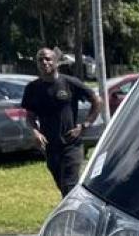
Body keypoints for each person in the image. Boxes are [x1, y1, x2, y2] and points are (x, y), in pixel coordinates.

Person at [21, 48, 100, 195]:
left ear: (56, 62)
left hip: (71, 144)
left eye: (48, 59)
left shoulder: (70, 83)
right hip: (50, 147)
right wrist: (35, 132)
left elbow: (96, 101)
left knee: (69, 186)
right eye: (40, 59)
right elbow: (30, 116)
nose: (44, 62)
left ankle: (73, 217)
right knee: (63, 186)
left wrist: (84, 125)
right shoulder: (32, 89)